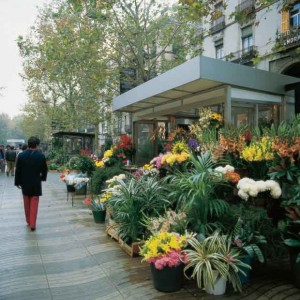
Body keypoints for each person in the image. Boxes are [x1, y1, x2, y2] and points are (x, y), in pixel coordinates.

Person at [15, 136, 48, 231]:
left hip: (24, 183)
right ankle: (33, 224)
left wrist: (17, 182)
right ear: (37, 145)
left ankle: (28, 220)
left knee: (26, 202)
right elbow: (44, 169)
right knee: (34, 202)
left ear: (29, 144)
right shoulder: (41, 156)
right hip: (35, 182)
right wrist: (42, 178)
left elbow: (18, 170)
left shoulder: (21, 155)